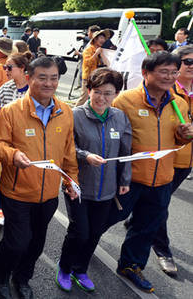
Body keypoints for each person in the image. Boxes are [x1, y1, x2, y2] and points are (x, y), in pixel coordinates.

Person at [0, 57, 79, 299]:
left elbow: (68, 152)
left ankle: (22, 278)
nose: (48, 83)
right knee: (16, 241)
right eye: (42, 77)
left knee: (36, 243)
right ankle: (0, 274)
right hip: (17, 192)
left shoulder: (65, 112)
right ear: (28, 78)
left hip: (49, 194)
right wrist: (12, 155)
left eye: (53, 78)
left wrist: (71, 181)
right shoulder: (11, 112)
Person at [105, 51, 193, 293]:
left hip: (163, 178)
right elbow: (111, 138)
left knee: (146, 227)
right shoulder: (125, 101)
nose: (170, 77)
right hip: (128, 178)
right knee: (106, 218)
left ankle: (131, 265)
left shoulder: (179, 103)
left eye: (173, 72)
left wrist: (183, 135)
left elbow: (177, 140)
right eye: (163, 71)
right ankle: (79, 254)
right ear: (146, 72)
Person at [56, 68, 132, 293]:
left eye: (108, 93)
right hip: (78, 186)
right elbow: (66, 148)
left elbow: (126, 152)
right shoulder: (75, 115)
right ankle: (64, 267)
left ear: (116, 94)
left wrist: (124, 180)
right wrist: (84, 156)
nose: (102, 98)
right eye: (97, 91)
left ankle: (81, 269)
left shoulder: (119, 117)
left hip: (107, 190)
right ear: (88, 91)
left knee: (95, 233)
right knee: (80, 232)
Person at [150, 45, 193, 275]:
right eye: (187, 62)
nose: (192, 66)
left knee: (156, 206)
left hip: (187, 163)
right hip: (167, 159)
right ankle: (162, 250)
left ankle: (143, 221)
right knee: (161, 206)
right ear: (176, 68)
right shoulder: (166, 93)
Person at [0, 51, 33, 226]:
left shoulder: (34, 90)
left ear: (22, 68)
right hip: (8, 142)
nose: (6, 70)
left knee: (28, 176)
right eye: (4, 67)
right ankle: (2, 210)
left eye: (9, 67)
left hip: (31, 141)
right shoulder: (4, 89)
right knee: (7, 178)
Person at [76, 29, 113, 107]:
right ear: (95, 39)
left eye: (104, 38)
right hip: (88, 78)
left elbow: (108, 64)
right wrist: (96, 54)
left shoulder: (102, 50)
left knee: (93, 99)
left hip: (98, 79)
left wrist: (102, 54)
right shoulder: (88, 50)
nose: (103, 40)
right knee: (84, 98)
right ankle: (73, 114)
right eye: (101, 38)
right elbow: (88, 63)